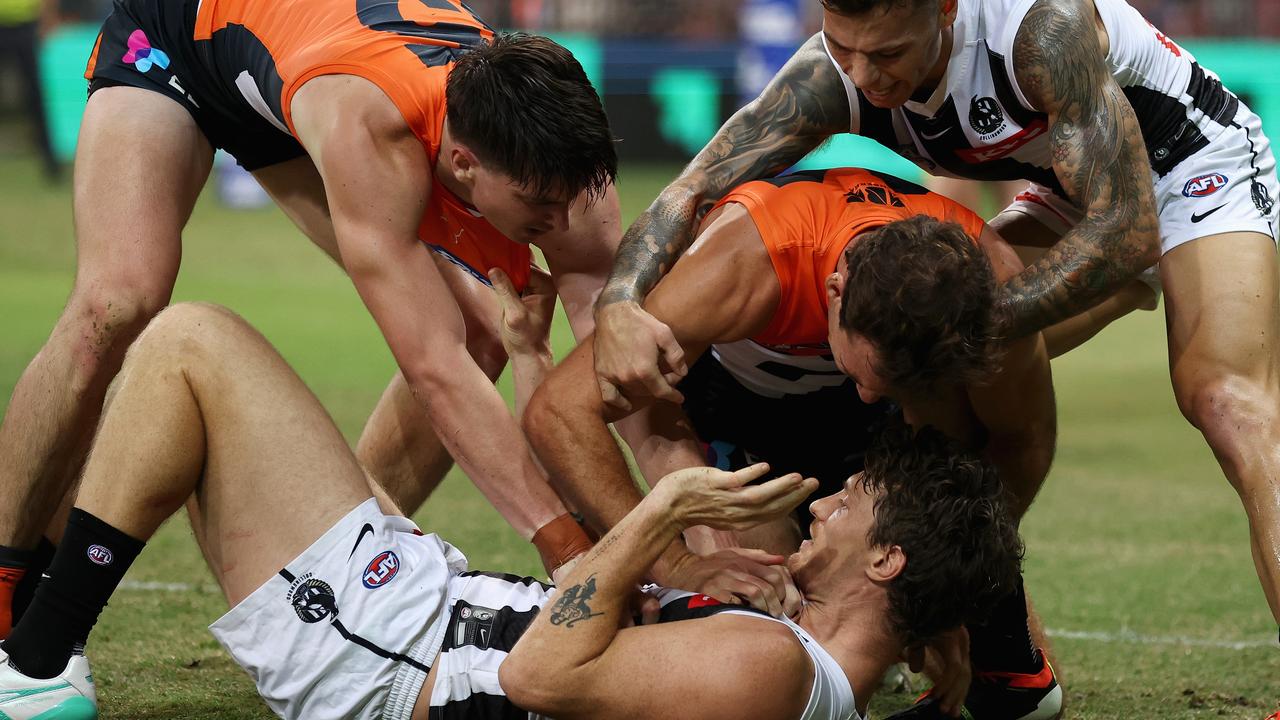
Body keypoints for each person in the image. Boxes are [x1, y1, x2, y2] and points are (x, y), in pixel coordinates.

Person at [591, 0, 1280, 638]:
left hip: (1186, 165)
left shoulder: (1043, 31)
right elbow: (690, 189)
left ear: (946, 8)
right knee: (936, 350)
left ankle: (949, 602)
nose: (863, 75)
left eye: (887, 53)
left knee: (1226, 400)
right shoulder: (828, 78)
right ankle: (928, 608)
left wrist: (949, 327)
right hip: (1068, 187)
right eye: (844, 47)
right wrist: (621, 299)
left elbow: (1129, 227)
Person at [0, 298, 1023, 720]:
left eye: (852, 504)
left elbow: (539, 670)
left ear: (885, 563)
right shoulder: (788, 653)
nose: (827, 506)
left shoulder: (771, 667)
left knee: (186, 344)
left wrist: (659, 517)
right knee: (430, 344)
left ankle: (35, 670)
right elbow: (585, 611)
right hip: (414, 609)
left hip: (384, 653)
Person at [0, 0, 623, 637]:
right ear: (465, 162)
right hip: (178, 40)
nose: (562, 221)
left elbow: (613, 367)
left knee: (489, 332)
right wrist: (566, 547)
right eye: (540, 207)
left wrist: (667, 541)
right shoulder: (374, 125)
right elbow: (433, 367)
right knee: (117, 300)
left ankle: (341, 563)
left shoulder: (562, 150)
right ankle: (2, 572)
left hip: (295, 67)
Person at [524, 167, 1057, 718]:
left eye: (895, 383)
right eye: (869, 374)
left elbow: (1023, 441)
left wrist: (939, 593)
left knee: (1026, 694)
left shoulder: (988, 286)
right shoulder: (745, 261)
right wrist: (675, 563)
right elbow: (560, 413)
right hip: (735, 394)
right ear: (834, 292)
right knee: (761, 596)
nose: (872, 397)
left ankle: (996, 647)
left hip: (895, 413)